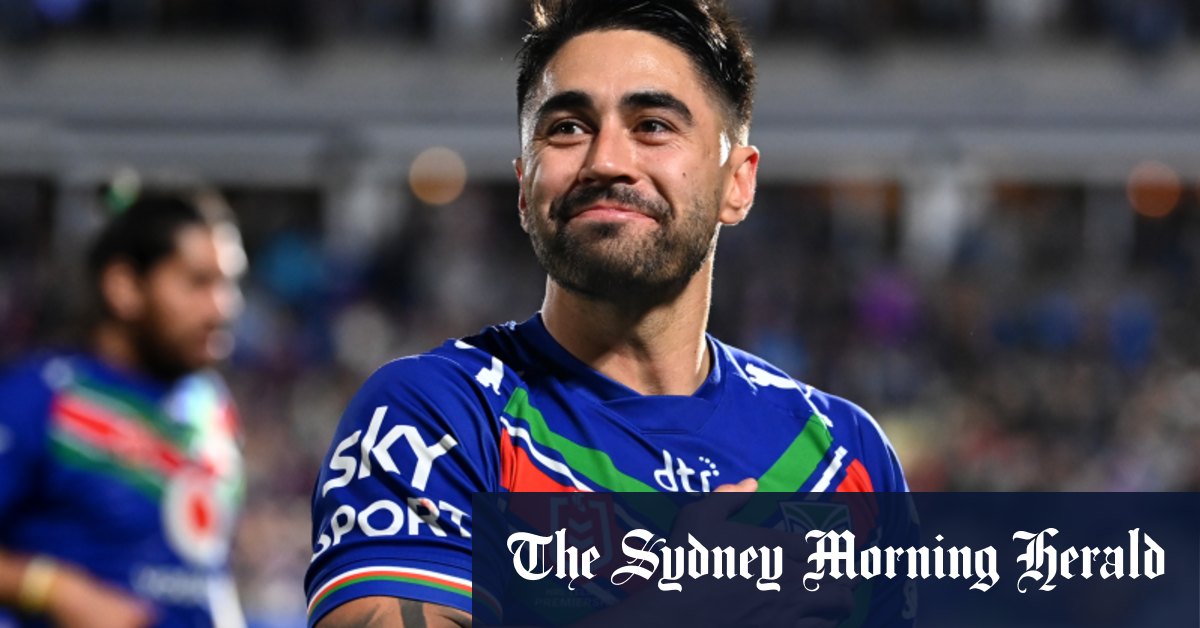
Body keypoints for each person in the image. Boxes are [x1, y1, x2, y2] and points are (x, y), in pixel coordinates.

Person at [306, 1, 909, 626]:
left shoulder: (846, 455)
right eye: (567, 127)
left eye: (652, 125)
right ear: (523, 185)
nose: (605, 162)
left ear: (738, 182)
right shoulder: (437, 417)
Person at [0, 191, 248, 627]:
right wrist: (54, 589)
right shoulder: (42, 395)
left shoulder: (213, 406)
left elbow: (205, 567)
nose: (223, 307)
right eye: (197, 283)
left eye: (229, 283)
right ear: (123, 286)